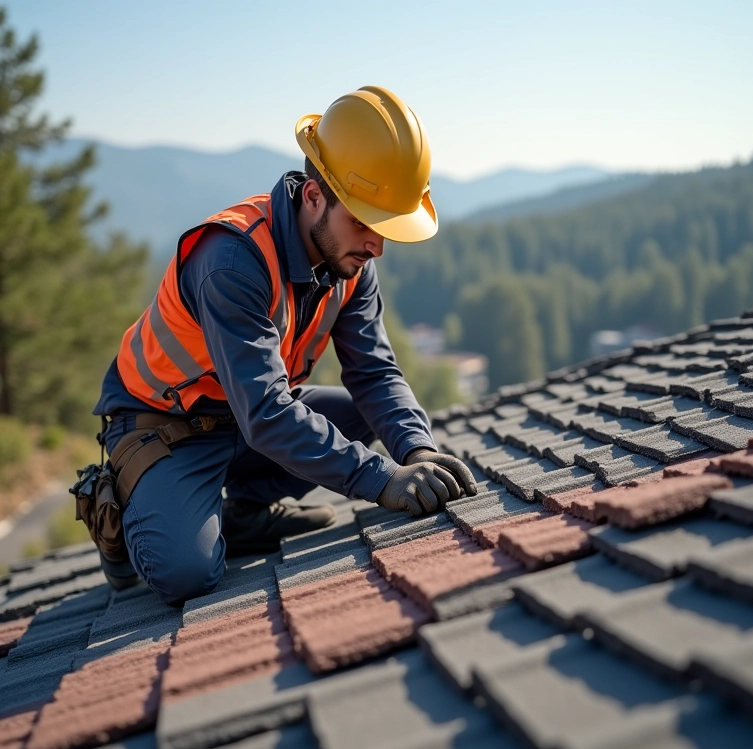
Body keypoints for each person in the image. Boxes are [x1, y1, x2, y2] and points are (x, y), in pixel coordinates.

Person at [93, 85, 477, 605]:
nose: (377, 246)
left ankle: (242, 513)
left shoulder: (348, 261)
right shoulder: (232, 259)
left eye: (385, 227)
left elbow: (375, 373)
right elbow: (268, 413)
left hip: (245, 419)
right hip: (165, 427)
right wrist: (381, 477)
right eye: (364, 222)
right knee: (185, 573)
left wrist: (417, 450)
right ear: (314, 195)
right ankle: (120, 507)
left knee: (363, 414)